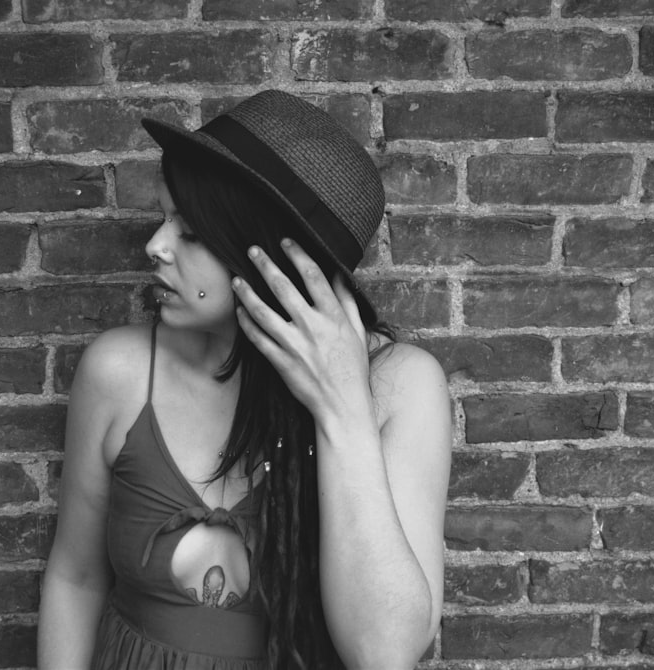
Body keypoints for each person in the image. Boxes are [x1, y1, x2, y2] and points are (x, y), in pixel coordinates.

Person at [38, 89, 451, 669]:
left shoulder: (402, 387)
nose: (154, 246)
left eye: (190, 233)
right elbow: (76, 578)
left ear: (270, 260)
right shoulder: (120, 371)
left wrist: (342, 409)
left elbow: (385, 654)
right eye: (164, 219)